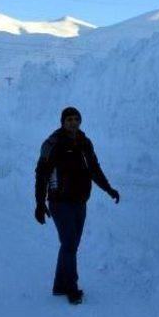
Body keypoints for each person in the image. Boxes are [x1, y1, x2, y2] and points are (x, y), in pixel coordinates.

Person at [34, 106, 120, 305]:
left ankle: (59, 285)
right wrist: (39, 203)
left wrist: (108, 189)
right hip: (59, 202)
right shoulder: (52, 143)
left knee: (70, 245)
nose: (73, 122)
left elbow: (94, 169)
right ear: (62, 122)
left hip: (80, 201)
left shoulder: (84, 142)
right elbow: (41, 174)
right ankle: (71, 287)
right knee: (70, 243)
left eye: (76, 119)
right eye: (69, 119)